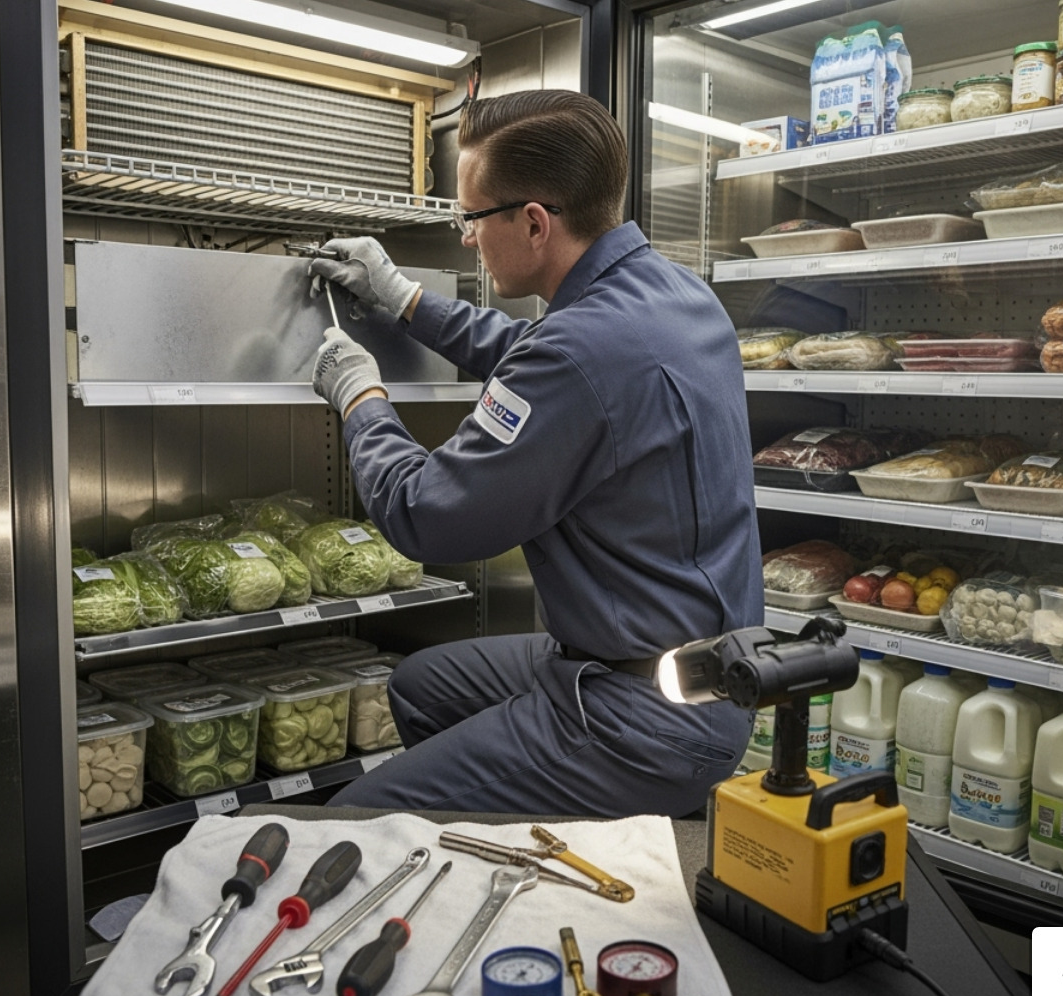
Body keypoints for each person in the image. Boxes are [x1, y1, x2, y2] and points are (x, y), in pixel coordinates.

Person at [306, 90, 760, 817]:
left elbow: (425, 515)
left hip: (643, 719)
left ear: (535, 222)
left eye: (471, 217)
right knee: (422, 684)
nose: (465, 237)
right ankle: (507, 839)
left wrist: (361, 397)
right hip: (705, 673)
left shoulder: (578, 350)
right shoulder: (674, 295)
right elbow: (535, 354)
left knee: (354, 818)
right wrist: (403, 299)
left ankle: (503, 841)